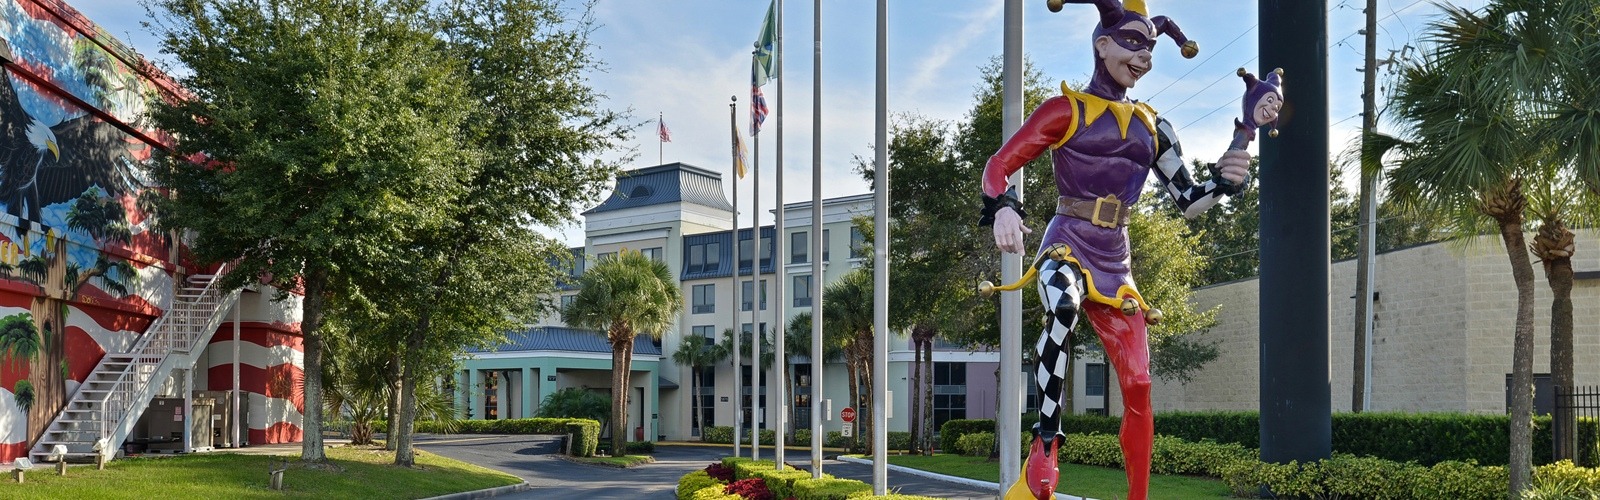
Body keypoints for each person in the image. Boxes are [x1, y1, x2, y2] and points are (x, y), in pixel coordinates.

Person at [978, 1, 1276, 499]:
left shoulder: (1154, 126)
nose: (1143, 59)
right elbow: (998, 164)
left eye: (1151, 49)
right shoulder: (1064, 110)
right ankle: (1046, 441)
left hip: (1117, 260)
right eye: (1133, 44)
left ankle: (1138, 495)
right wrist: (1004, 207)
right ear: (1102, 45)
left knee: (1139, 385)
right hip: (1066, 242)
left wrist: (1227, 176)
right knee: (1064, 305)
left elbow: (1188, 200)